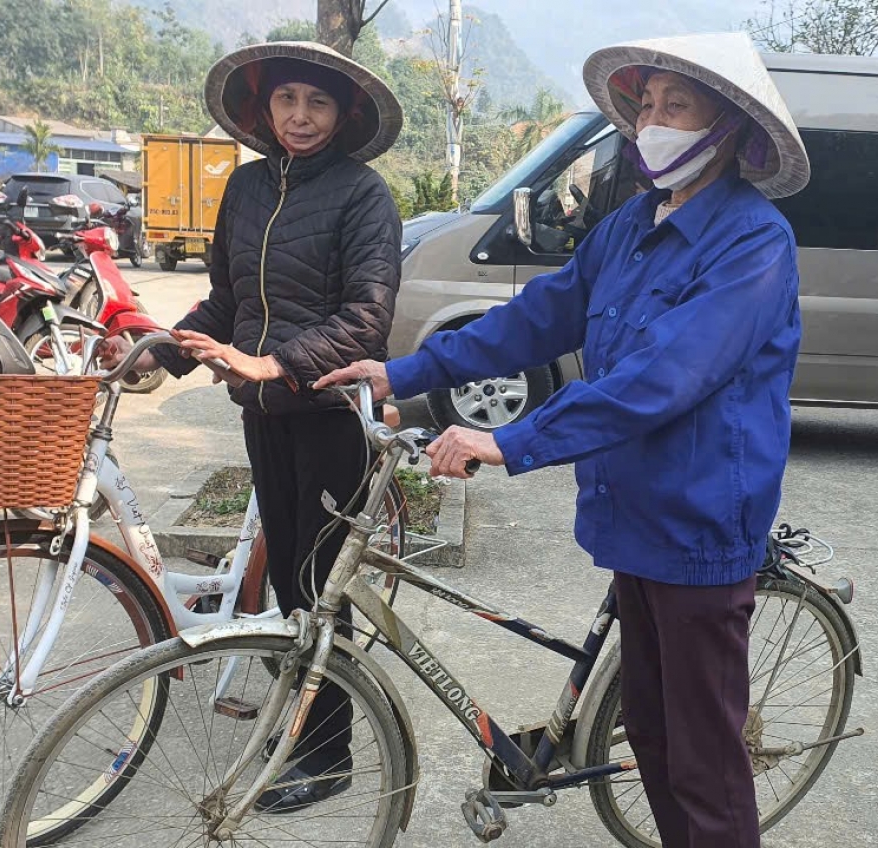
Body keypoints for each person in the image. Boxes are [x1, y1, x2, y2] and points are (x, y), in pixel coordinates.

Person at [318, 32, 811, 847]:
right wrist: (403, 372)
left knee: (704, 758)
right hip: (632, 513)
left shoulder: (754, 243)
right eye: (646, 104)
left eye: (675, 106)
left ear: (727, 129)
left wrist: (510, 441)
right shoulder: (629, 227)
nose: (653, 120)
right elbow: (537, 318)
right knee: (651, 738)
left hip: (698, 524)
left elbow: (665, 377)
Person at [101, 40, 403, 812]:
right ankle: (303, 719)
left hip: (334, 418)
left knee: (315, 583)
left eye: (318, 103)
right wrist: (158, 354)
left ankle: (326, 750)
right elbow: (226, 303)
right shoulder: (243, 189)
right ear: (265, 109)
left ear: (344, 115)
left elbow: (367, 319)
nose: (300, 117)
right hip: (264, 419)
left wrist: (278, 365)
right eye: (287, 101)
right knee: (287, 584)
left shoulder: (363, 195)